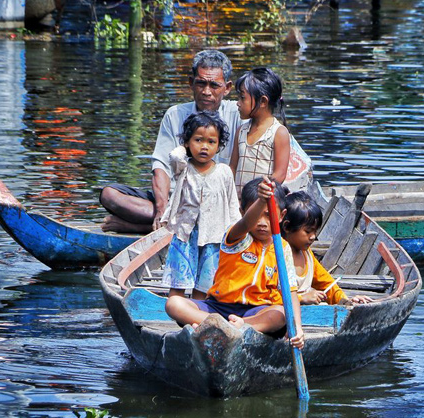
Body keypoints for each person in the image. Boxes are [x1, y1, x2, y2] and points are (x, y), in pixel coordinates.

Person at [100, 49, 242, 233]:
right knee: (109, 195)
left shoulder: (238, 114)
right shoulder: (175, 114)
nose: (207, 92)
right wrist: (161, 210)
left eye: (214, 85)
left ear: (227, 88)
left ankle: (137, 227)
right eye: (201, 84)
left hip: (217, 204)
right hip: (175, 201)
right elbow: (161, 167)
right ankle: (166, 223)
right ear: (191, 83)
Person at [164, 178, 304, 349]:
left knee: (281, 314)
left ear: (281, 216)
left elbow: (290, 291)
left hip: (254, 312)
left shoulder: (282, 248)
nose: (261, 222)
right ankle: (220, 326)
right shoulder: (237, 237)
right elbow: (246, 223)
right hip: (217, 307)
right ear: (242, 211)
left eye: (268, 215)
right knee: (173, 304)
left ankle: (236, 326)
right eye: (256, 215)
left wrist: (297, 327)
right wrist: (261, 200)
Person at [160, 111, 240, 301]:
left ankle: (195, 315)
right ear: (187, 142)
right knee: (178, 282)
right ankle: (177, 311)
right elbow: (174, 156)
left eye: (211, 142)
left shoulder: (224, 172)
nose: (204, 147)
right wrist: (185, 145)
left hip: (214, 236)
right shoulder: (184, 167)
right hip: (186, 235)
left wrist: (235, 233)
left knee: (204, 285)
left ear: (219, 145)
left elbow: (232, 205)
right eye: (198, 140)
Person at [282, 191, 373, 306]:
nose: (313, 237)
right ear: (287, 227)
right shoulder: (276, 254)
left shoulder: (307, 254)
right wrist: (301, 298)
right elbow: (269, 295)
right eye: (308, 231)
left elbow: (326, 283)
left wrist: (346, 301)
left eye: (315, 231)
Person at [230, 68, 292, 197]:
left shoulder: (278, 132)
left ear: (263, 101)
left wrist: (259, 194)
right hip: (238, 202)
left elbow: (279, 174)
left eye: (242, 98)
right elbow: (233, 168)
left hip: (262, 202)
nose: (238, 103)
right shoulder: (241, 130)